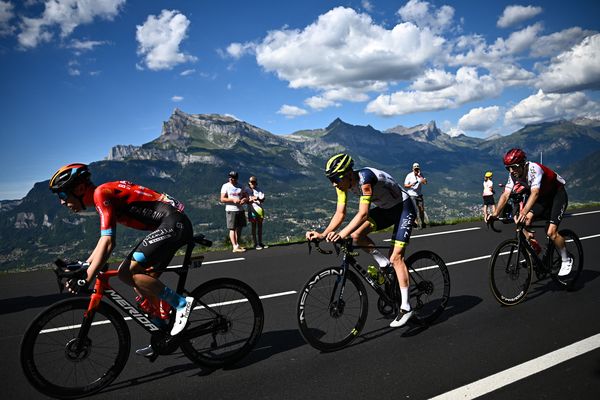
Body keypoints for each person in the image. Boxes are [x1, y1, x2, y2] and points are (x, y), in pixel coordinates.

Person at [49, 163, 194, 357]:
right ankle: (163, 335)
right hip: (171, 225)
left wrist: (86, 278)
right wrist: (85, 265)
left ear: (79, 189)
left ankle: (181, 305)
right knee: (142, 285)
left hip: (173, 224)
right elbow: (104, 242)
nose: (61, 202)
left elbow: (108, 242)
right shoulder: (103, 194)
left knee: (127, 272)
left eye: (63, 195)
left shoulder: (101, 193)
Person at [306, 154, 417, 328]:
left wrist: (341, 234)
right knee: (357, 236)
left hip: (403, 209)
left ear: (349, 173)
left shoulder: (366, 179)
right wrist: (323, 234)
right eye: (330, 180)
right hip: (385, 210)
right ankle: (384, 263)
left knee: (397, 257)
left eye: (336, 178)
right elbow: (340, 213)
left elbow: (363, 214)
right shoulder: (342, 185)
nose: (334, 183)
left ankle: (406, 307)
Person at [486, 148, 572, 276]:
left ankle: (566, 259)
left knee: (551, 232)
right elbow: (505, 195)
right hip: (542, 199)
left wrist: (524, 211)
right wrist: (495, 214)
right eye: (508, 168)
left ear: (522, 163)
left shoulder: (534, 169)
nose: (511, 171)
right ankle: (534, 249)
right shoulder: (513, 175)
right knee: (523, 222)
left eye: (514, 167)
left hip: (557, 195)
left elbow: (535, 193)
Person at [220, 171, 248, 252]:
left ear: (236, 178)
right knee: (232, 228)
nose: (231, 179)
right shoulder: (225, 186)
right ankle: (234, 246)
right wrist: (232, 200)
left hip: (240, 209)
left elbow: (246, 196)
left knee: (240, 228)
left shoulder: (240, 186)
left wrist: (244, 199)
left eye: (233, 178)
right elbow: (222, 199)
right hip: (231, 209)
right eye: (230, 177)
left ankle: (237, 244)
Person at [244, 176, 267, 250]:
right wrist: (249, 200)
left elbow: (262, 199)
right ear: (249, 182)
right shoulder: (247, 190)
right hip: (251, 209)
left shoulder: (259, 190)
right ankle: (255, 243)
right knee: (254, 226)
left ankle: (260, 242)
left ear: (256, 182)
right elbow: (245, 199)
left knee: (260, 226)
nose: (253, 183)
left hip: (259, 210)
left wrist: (256, 198)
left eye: (254, 182)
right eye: (251, 182)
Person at [404, 162, 428, 228]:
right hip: (412, 195)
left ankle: (423, 222)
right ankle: (416, 223)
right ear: (413, 169)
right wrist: (411, 185)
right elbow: (405, 185)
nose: (416, 170)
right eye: (415, 169)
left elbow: (425, 182)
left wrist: (419, 176)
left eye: (417, 169)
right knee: (414, 209)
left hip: (419, 195)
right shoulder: (409, 175)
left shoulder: (421, 175)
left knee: (421, 209)